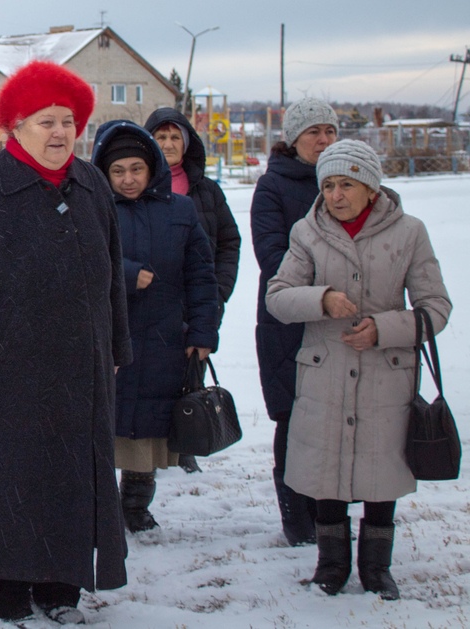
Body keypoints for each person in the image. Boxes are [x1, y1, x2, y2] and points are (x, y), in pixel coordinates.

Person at [0, 61, 129, 624]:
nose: (60, 133)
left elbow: (111, 273)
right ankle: (10, 597)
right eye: (45, 121)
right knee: (11, 482)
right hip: (5, 371)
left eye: (68, 121)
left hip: (80, 367)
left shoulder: (91, 183)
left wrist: (116, 345)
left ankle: (60, 591)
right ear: (14, 128)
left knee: (70, 480)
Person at [266, 140, 451, 600]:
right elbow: (278, 297)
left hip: (386, 373)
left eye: (346, 183)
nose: (335, 195)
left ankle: (376, 568)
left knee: (379, 470)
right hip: (324, 370)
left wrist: (386, 328)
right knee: (326, 473)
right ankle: (330, 566)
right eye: (327, 185)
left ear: (371, 187)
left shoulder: (410, 233)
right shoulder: (306, 233)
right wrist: (321, 298)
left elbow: (436, 307)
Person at [92, 121, 217, 532]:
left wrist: (201, 333)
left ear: (152, 169)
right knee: (106, 429)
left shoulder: (179, 211)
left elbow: (202, 275)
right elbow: (77, 263)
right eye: (118, 171)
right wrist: (126, 275)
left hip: (164, 338)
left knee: (147, 434)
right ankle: (101, 509)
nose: (128, 179)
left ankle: (136, 505)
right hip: (109, 338)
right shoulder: (92, 208)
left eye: (136, 169)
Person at [251, 97, 339, 546]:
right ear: (294, 139)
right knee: (294, 419)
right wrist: (331, 281)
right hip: (286, 321)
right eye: (313, 133)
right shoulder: (273, 187)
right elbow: (271, 256)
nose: (323, 141)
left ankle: (330, 513)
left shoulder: (346, 184)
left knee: (336, 418)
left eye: (329, 132)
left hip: (338, 322)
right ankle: (296, 519)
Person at [143, 108, 240, 474]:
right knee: (150, 379)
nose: (167, 144)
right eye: (160, 137)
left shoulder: (206, 191)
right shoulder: (136, 184)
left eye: (174, 138)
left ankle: (188, 442)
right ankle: (146, 461)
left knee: (190, 374)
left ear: (187, 143)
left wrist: (220, 291)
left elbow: (229, 242)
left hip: (199, 301)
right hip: (151, 302)